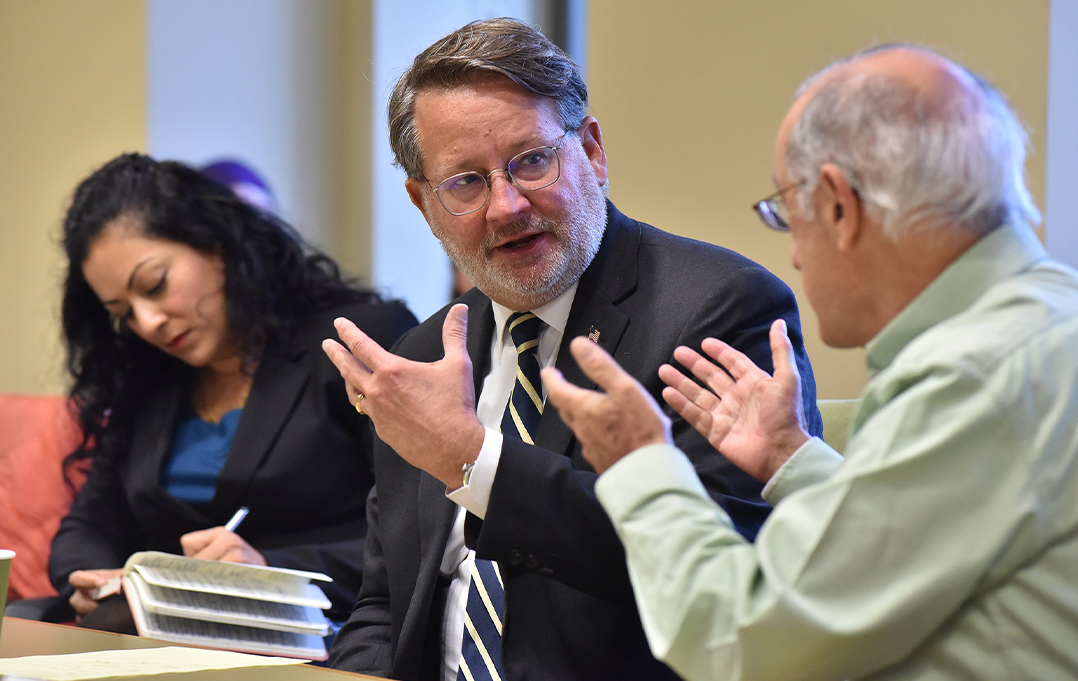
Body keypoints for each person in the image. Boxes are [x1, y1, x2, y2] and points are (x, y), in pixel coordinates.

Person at [543, 44, 1078, 680]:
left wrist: (641, 467)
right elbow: (928, 550)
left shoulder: (973, 375)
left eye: (784, 215)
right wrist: (794, 462)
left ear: (837, 204)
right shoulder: (1056, 317)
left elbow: (744, 644)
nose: (796, 258)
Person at [322, 18, 822, 681]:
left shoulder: (716, 307)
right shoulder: (420, 355)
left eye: (531, 160)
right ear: (424, 203)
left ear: (590, 150)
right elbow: (388, 603)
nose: (506, 205)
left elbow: (729, 569)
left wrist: (471, 461)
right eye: (466, 182)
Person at [47, 153, 417, 634]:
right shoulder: (149, 377)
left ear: (218, 245)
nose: (147, 323)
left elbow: (420, 526)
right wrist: (97, 578)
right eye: (123, 312)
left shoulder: (354, 340)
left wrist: (271, 570)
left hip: (327, 626)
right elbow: (87, 525)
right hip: (165, 629)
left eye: (155, 286)